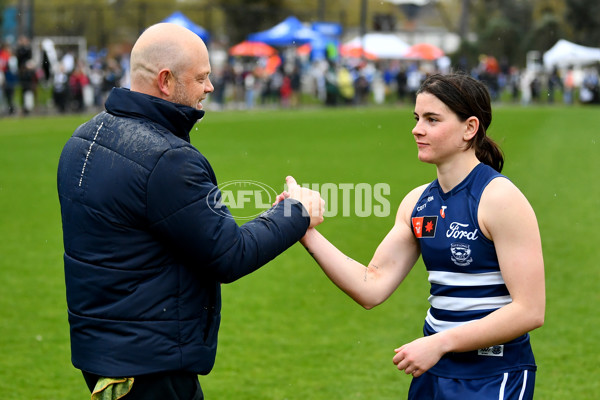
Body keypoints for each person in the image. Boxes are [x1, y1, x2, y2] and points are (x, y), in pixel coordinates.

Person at [57, 22, 324, 399]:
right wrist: (296, 213)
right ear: (165, 81)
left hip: (103, 355)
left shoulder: (82, 138)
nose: (210, 88)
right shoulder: (167, 159)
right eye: (201, 77)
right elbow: (230, 254)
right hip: (149, 365)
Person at [298, 73, 545, 399]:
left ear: (469, 128)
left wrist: (441, 342)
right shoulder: (418, 203)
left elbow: (529, 310)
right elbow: (371, 286)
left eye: (432, 119)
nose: (417, 129)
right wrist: (303, 230)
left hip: (492, 375)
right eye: (417, 118)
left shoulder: (499, 198)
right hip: (434, 372)